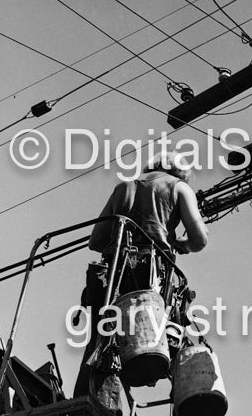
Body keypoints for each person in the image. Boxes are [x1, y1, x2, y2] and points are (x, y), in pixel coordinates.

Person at [73, 151, 208, 399]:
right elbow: (200, 239)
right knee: (168, 335)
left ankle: (95, 405)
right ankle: (191, 394)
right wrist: (182, 245)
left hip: (113, 278)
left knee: (104, 341)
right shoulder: (178, 188)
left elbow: (95, 241)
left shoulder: (124, 187)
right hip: (153, 279)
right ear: (180, 172)